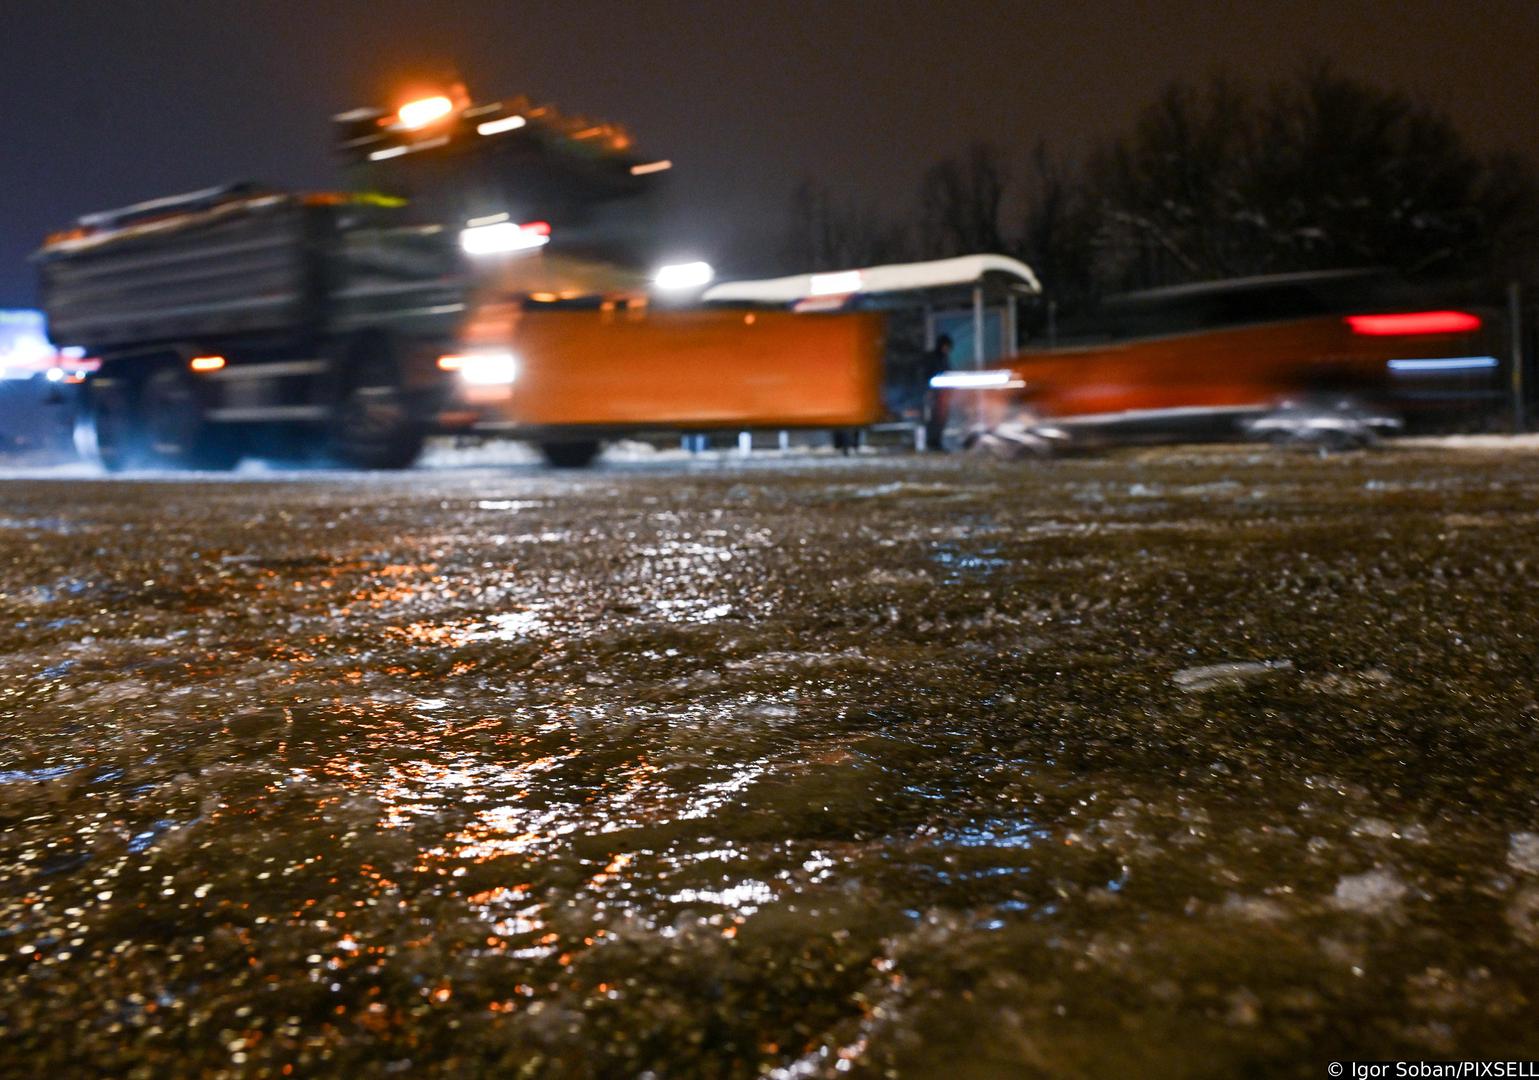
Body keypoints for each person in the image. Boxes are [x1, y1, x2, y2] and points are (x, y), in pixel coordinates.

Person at [920, 334, 953, 451]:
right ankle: (932, 442)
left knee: (941, 418)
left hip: (942, 393)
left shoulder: (943, 358)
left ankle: (936, 441)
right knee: (935, 418)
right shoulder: (933, 358)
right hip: (935, 393)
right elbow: (927, 374)